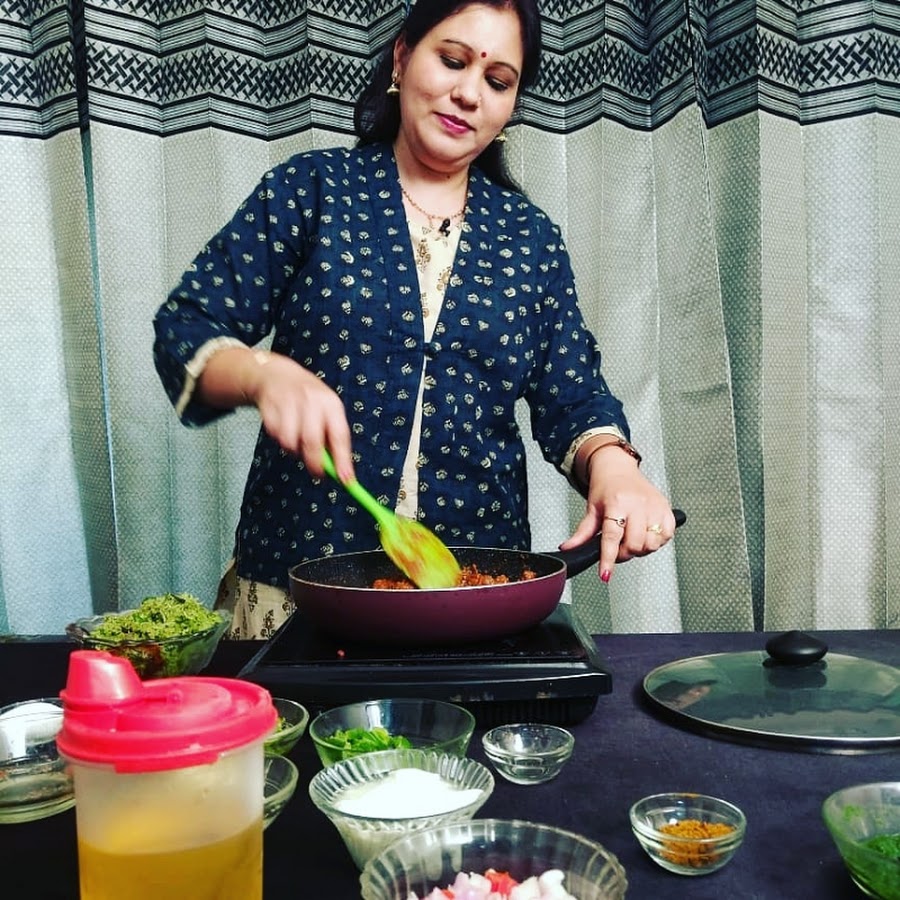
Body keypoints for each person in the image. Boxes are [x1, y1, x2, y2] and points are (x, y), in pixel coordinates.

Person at [153, 0, 677, 639]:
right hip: (300, 588)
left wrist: (616, 466)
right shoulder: (311, 191)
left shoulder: (530, 237)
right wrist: (260, 373)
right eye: (452, 61)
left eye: (497, 81)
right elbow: (186, 327)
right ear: (402, 58)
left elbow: (573, 393)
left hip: (472, 594)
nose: (469, 94)